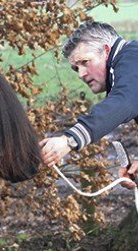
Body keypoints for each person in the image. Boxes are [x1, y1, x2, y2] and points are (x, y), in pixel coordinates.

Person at [40, 21, 138, 188]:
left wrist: (70, 139)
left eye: (85, 62)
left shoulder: (132, 58)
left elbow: (124, 101)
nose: (81, 74)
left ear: (106, 51)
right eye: (75, 68)